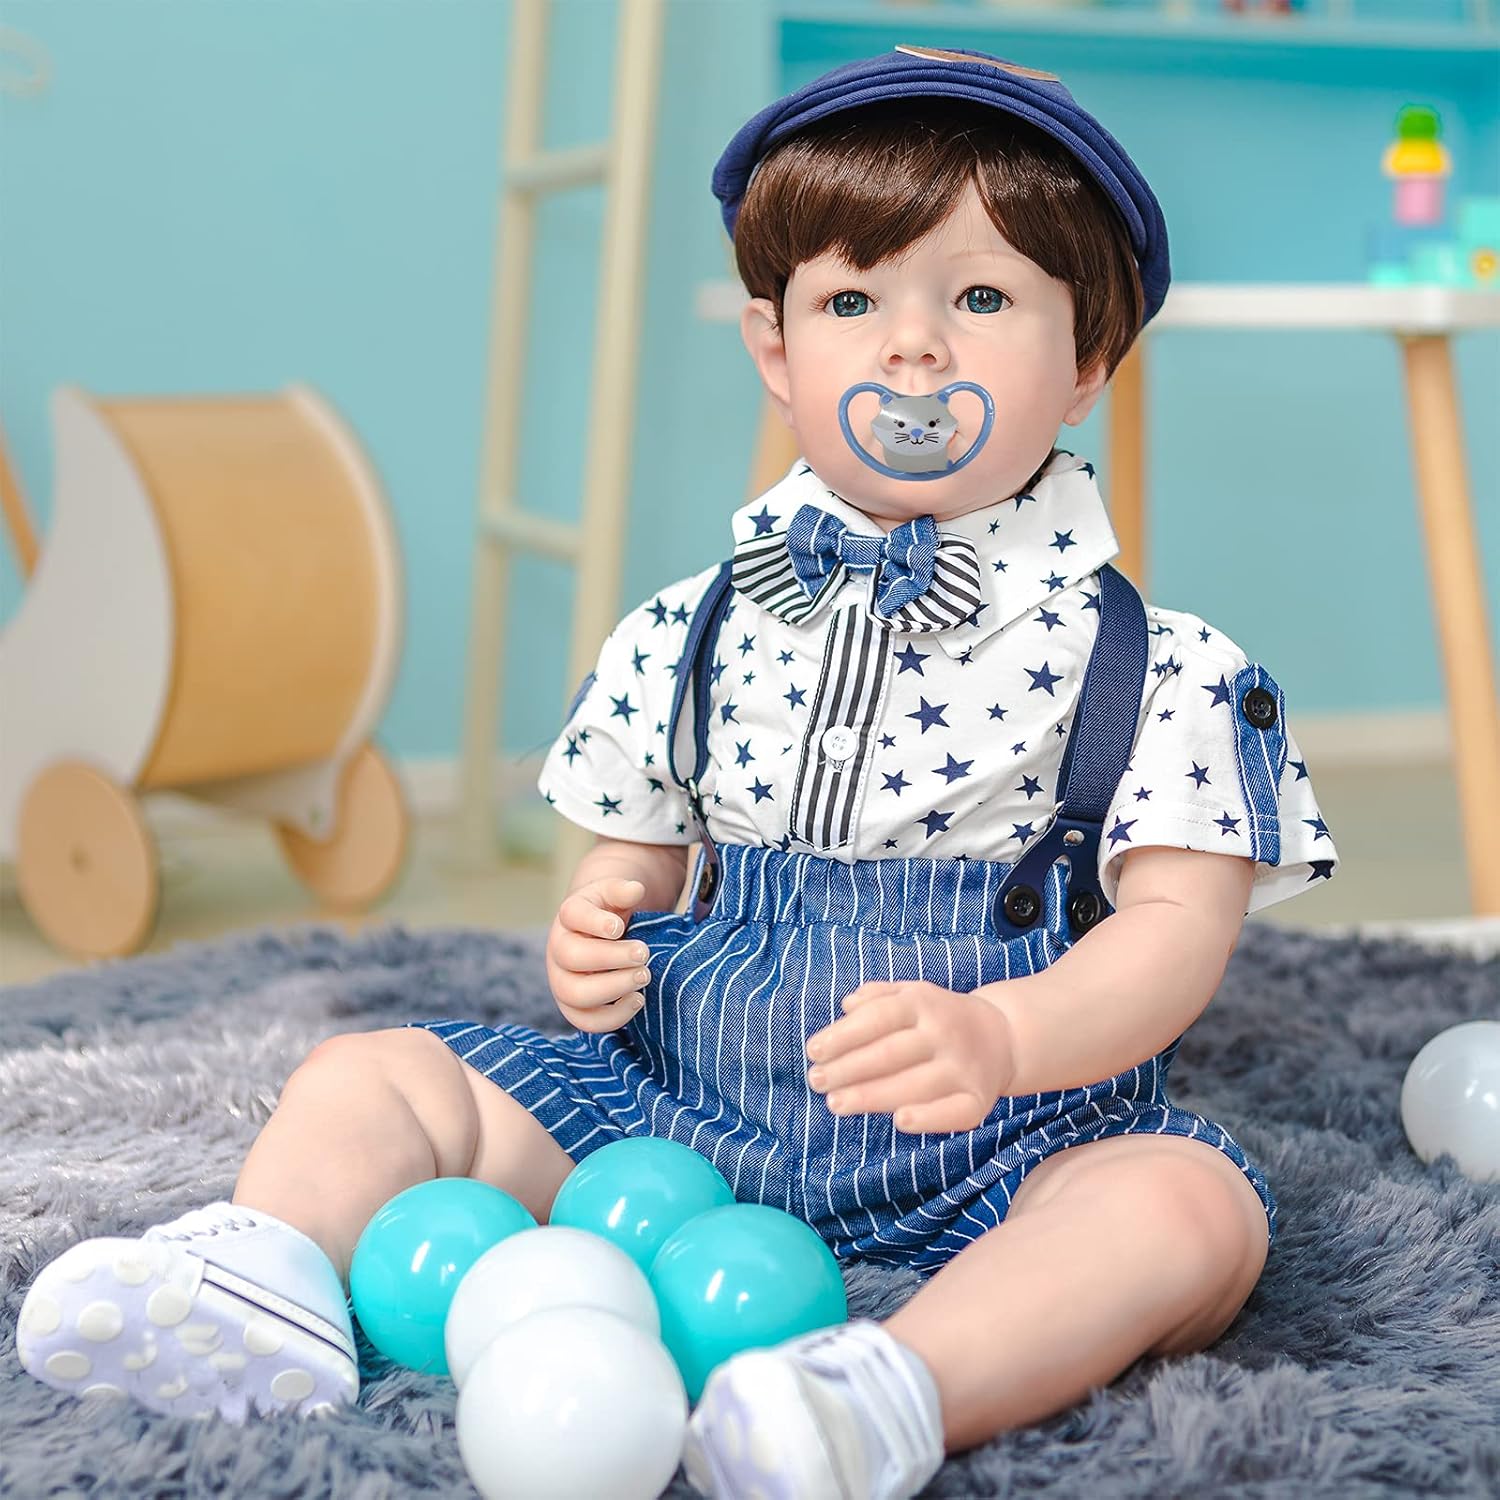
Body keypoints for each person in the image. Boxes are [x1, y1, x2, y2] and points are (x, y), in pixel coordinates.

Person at [19, 43, 1338, 1500]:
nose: (913, 350)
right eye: (851, 302)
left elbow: (1174, 935)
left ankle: (885, 1393)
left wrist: (1010, 1036)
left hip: (1007, 1137)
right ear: (776, 353)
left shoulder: (1160, 667)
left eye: (979, 298)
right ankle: (258, 1278)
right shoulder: (691, 628)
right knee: (367, 1075)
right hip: (677, 1118)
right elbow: (643, 854)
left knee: (1187, 1216)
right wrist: (599, 919)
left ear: (1088, 361)